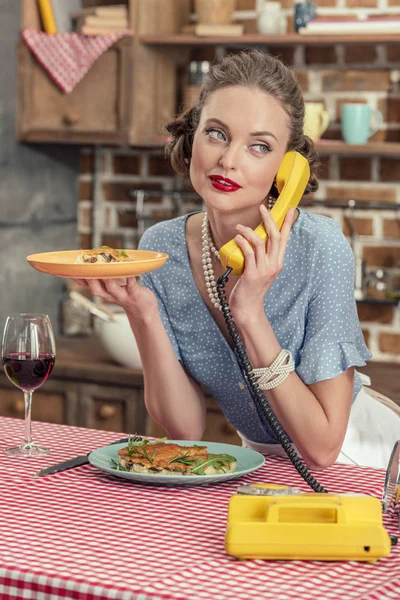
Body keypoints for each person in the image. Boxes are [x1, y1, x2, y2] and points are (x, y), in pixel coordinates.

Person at [76, 50, 400, 470]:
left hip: (364, 462)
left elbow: (322, 447)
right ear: (192, 138)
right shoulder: (162, 247)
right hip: (262, 463)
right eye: (216, 133)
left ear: (288, 169)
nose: (229, 159)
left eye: (259, 146)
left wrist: (249, 314)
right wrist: (143, 311)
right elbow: (186, 429)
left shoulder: (321, 248)